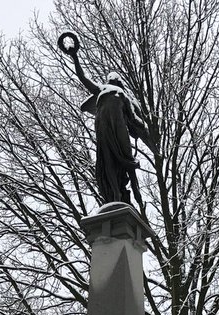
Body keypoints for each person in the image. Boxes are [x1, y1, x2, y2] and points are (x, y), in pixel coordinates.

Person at [58, 31, 150, 206]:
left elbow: (133, 118)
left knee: (128, 162)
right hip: (103, 130)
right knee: (107, 160)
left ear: (118, 82)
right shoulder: (100, 90)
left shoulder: (123, 96)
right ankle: (115, 195)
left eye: (114, 78)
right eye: (110, 78)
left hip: (120, 129)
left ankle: (137, 198)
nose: (111, 79)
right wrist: (75, 57)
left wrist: (143, 129)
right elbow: (82, 77)